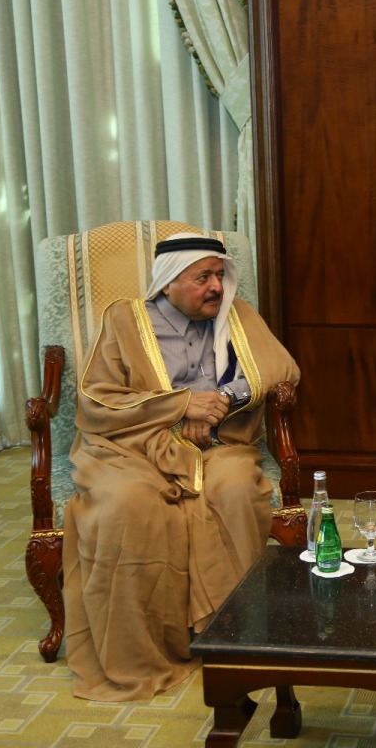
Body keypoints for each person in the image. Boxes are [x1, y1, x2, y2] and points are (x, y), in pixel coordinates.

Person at [62, 232, 300, 702]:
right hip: (131, 445)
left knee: (235, 491)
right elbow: (95, 398)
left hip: (219, 442)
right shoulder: (125, 320)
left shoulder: (237, 315)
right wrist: (179, 407)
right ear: (169, 281)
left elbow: (281, 368)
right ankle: (145, 649)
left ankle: (230, 633)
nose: (216, 286)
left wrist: (218, 402)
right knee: (126, 505)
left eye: (219, 275)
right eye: (202, 277)